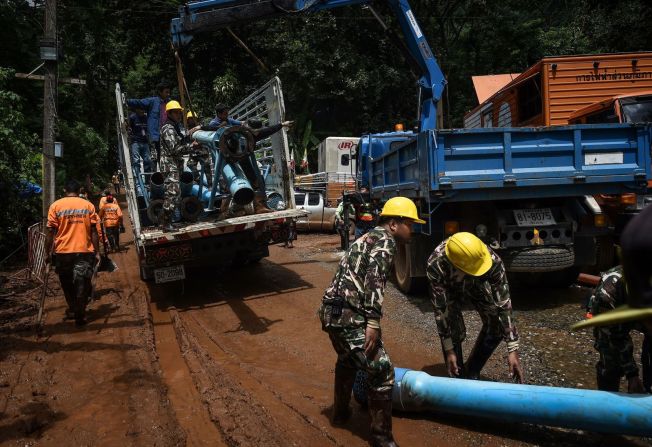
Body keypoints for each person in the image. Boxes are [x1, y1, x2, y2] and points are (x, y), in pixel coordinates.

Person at [318, 196, 425, 447]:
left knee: (347, 359)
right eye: (410, 223)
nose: (413, 229)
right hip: (347, 316)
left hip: (331, 312)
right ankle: (381, 438)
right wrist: (373, 322)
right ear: (394, 224)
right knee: (382, 369)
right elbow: (374, 281)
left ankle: (341, 414)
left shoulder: (367, 237)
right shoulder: (386, 243)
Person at [426, 232, 524, 383]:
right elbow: (441, 310)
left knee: (497, 324)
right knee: (453, 332)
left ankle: (472, 370)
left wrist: (512, 347)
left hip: (476, 283)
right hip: (449, 287)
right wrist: (448, 349)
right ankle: (456, 375)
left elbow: (503, 303)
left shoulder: (492, 261)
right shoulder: (436, 264)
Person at [45, 179, 101, 326]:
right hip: (83, 251)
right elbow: (94, 231)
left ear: (65, 190)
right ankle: (80, 313)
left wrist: (47, 253)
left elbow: (50, 232)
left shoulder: (55, 206)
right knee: (82, 282)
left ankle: (73, 307)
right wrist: (97, 252)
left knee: (67, 283)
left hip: (63, 252)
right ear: (79, 191)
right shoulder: (88, 205)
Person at [586, 265, 650, 393]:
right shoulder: (608, 293)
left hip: (642, 307)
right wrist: (632, 374)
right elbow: (614, 337)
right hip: (616, 309)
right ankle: (608, 403)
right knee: (611, 361)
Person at [159, 100, 198, 231]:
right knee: (173, 193)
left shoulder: (173, 127)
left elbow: (180, 140)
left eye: (180, 113)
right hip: (170, 165)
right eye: (176, 112)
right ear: (169, 113)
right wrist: (191, 147)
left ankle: (164, 221)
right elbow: (175, 148)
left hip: (173, 165)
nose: (179, 115)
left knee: (175, 193)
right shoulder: (168, 128)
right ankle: (165, 223)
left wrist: (191, 133)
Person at [127, 81, 172, 170]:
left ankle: (166, 179)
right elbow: (139, 103)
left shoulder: (170, 103)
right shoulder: (153, 101)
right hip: (155, 136)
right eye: (166, 92)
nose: (168, 94)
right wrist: (127, 101)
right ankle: (153, 181)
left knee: (165, 159)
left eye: (169, 92)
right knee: (153, 159)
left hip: (166, 136)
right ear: (160, 92)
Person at [128, 107, 152, 177]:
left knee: (147, 161)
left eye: (143, 108)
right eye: (140, 108)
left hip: (145, 142)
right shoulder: (133, 117)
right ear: (137, 109)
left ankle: (148, 182)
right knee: (136, 161)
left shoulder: (146, 117)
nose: (142, 110)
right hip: (135, 142)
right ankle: (139, 182)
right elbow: (129, 128)